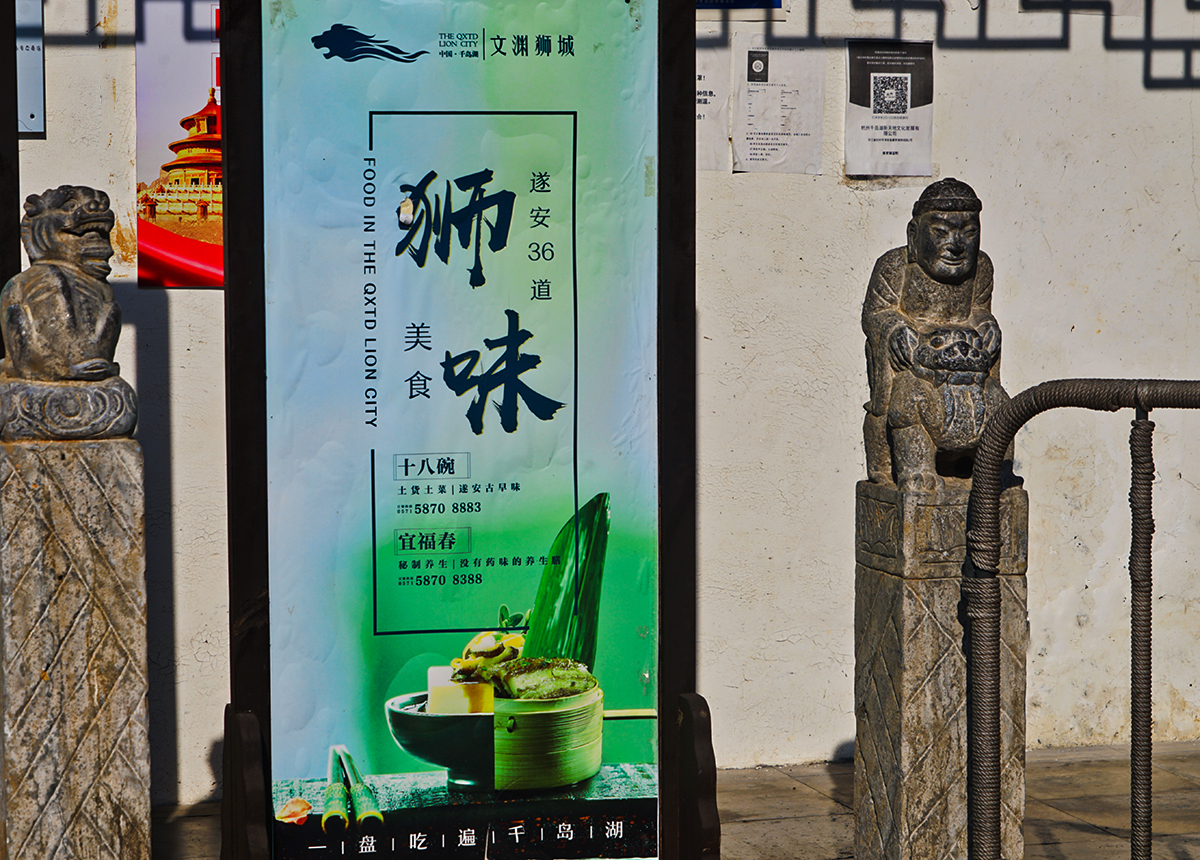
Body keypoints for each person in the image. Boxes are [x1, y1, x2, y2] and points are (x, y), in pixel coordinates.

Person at [862, 178, 1003, 489]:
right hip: (920, 367)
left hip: (968, 369)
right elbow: (875, 314)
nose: (956, 244)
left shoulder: (981, 268)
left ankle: (989, 470)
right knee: (903, 398)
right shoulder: (894, 267)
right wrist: (895, 327)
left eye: (969, 233)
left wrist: (986, 324)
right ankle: (903, 465)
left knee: (999, 402)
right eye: (940, 232)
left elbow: (979, 309)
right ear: (914, 234)